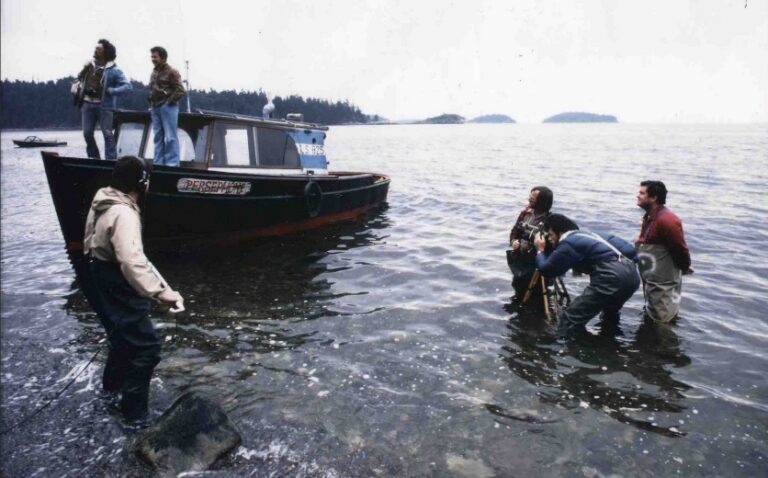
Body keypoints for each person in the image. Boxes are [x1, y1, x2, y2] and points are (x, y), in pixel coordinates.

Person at [84, 156, 183, 423]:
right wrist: (160, 292)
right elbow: (130, 260)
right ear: (142, 182)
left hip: (99, 275)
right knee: (146, 348)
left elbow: (89, 244)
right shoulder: (125, 213)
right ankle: (134, 418)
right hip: (116, 280)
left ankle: (110, 393)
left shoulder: (102, 200)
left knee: (120, 340)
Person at [533, 214, 640, 336]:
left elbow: (547, 270)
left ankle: (571, 351)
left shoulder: (568, 242)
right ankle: (609, 344)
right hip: (632, 275)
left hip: (611, 277)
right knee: (610, 312)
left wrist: (540, 250)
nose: (550, 239)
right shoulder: (591, 235)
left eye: (551, 234)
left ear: (560, 232)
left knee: (571, 318)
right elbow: (630, 251)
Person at [635, 180, 693, 322]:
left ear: (653, 198)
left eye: (642, 193)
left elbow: (680, 248)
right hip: (652, 279)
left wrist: (685, 266)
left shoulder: (667, 220)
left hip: (662, 280)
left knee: (662, 317)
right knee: (653, 311)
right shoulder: (649, 216)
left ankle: (664, 340)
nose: (638, 196)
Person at [75, 39, 132, 159]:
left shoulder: (114, 70)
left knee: (107, 133)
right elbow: (79, 78)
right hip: (87, 103)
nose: (96, 50)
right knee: (87, 133)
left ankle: (110, 159)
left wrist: (112, 91)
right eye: (95, 48)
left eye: (99, 49)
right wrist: (82, 71)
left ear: (106, 52)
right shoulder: (89, 65)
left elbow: (128, 86)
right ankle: (94, 158)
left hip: (104, 106)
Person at [507, 186, 554, 297]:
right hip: (520, 263)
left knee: (536, 295)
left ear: (541, 202)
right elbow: (514, 231)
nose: (529, 201)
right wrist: (514, 241)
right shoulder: (525, 214)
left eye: (532, 199)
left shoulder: (550, 221)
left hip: (536, 267)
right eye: (530, 198)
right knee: (518, 289)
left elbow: (550, 247)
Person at [148, 46, 186, 167]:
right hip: (155, 107)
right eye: (152, 56)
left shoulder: (172, 72)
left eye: (155, 57)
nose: (152, 59)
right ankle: (158, 164)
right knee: (158, 137)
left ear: (163, 58)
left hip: (168, 107)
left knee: (170, 137)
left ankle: (172, 165)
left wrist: (168, 102)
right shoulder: (154, 72)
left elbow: (180, 90)